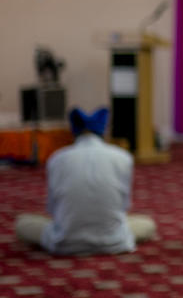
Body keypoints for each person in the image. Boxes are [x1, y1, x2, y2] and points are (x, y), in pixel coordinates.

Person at [14, 107, 156, 255]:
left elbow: (52, 209)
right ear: (104, 131)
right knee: (147, 224)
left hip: (65, 243)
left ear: (73, 131)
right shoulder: (123, 157)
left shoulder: (57, 158)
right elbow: (124, 206)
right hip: (114, 242)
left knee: (23, 223)